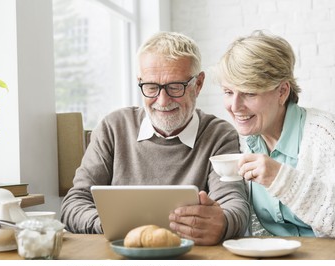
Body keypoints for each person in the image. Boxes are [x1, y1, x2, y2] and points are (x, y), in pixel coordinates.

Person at [61, 31, 250, 245]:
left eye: (175, 87)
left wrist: (223, 224)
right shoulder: (113, 127)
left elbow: (235, 205)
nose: (162, 100)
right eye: (151, 87)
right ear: (140, 82)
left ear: (198, 84)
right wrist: (110, 225)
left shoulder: (219, 134)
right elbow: (74, 204)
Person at [216, 30, 335, 237]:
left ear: (282, 92)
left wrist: (281, 179)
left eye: (249, 93)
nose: (235, 106)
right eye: (228, 92)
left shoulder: (324, 135)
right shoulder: (244, 143)